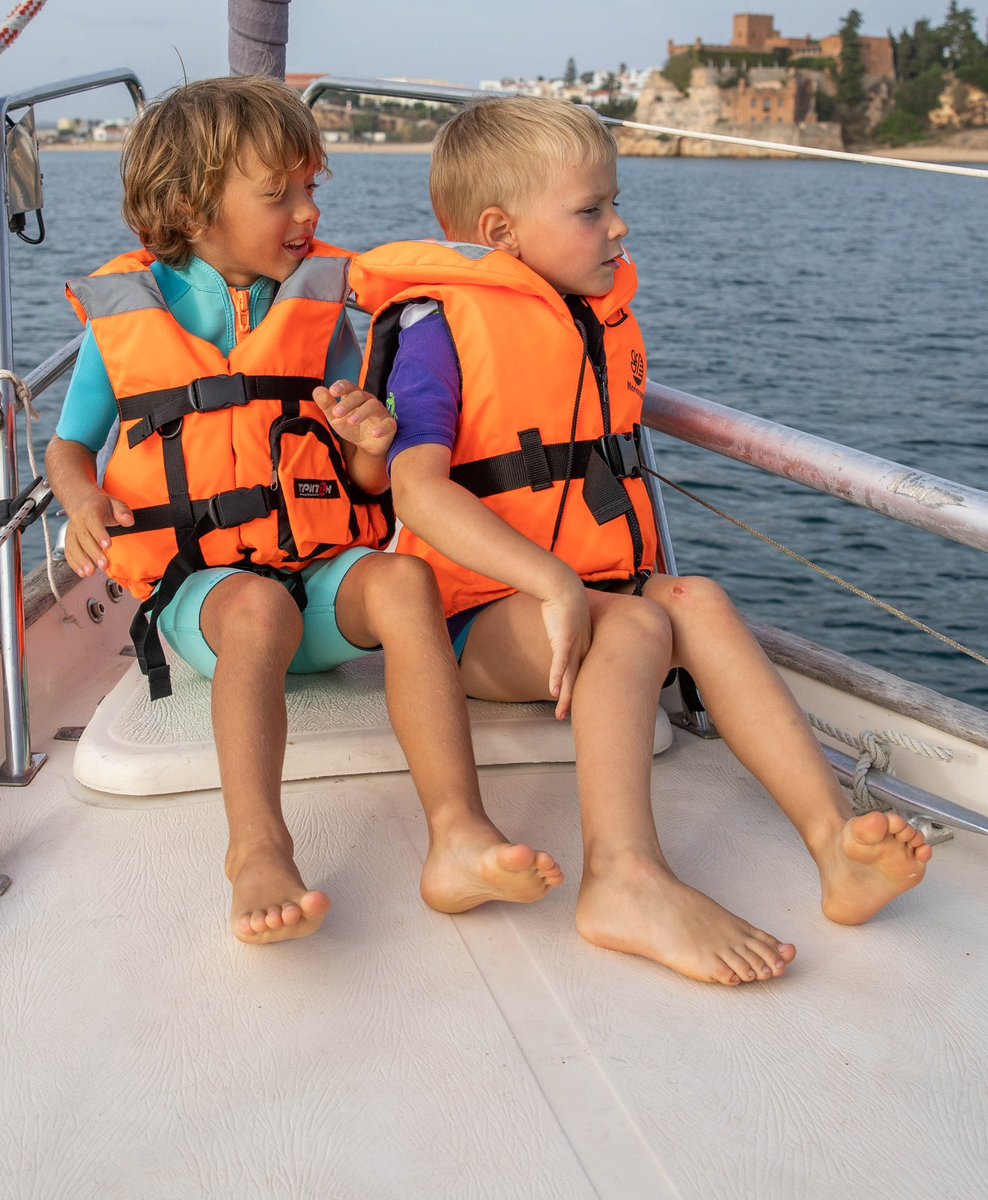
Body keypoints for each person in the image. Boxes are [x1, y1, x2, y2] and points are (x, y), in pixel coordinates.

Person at [353, 97, 933, 986]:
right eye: (591, 210)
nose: (618, 226)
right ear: (500, 231)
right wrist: (549, 582)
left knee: (696, 598)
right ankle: (622, 876)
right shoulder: (440, 329)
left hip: (591, 593)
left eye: (613, 202)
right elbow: (415, 485)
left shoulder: (593, 317)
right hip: (478, 621)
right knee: (627, 626)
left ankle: (833, 845)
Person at [48, 76, 561, 947]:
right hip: (208, 599)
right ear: (190, 205)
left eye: (311, 188)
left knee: (404, 578)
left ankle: (459, 833)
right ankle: (257, 848)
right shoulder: (127, 315)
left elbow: (363, 483)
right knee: (257, 604)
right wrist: (83, 498)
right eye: (278, 193)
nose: (304, 212)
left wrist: (370, 434)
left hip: (315, 585)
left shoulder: (321, 314)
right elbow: (70, 444)